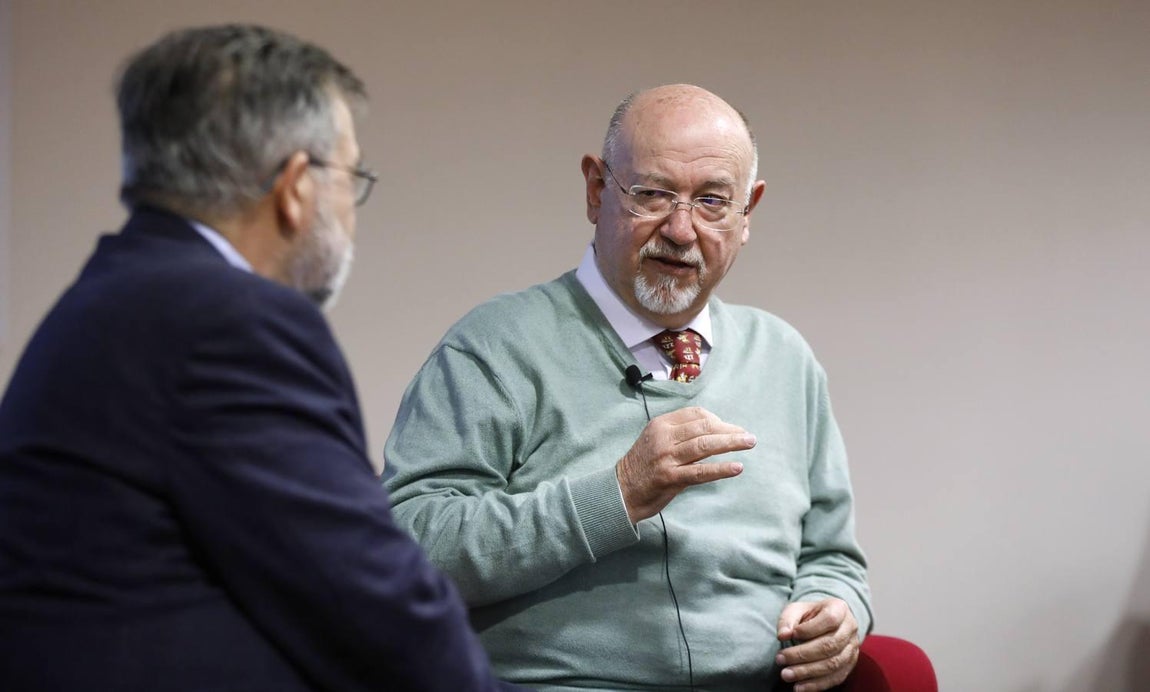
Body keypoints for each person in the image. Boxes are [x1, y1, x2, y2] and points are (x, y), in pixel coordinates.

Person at [0, 24, 515, 691]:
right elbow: (374, 605)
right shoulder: (229, 324)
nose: (351, 209)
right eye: (351, 177)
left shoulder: (117, 294)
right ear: (297, 186)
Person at [383, 84, 872, 692]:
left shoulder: (784, 357)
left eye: (713, 201)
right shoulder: (494, 347)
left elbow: (831, 556)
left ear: (748, 213)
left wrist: (838, 609)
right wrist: (615, 495)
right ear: (596, 190)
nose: (681, 229)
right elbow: (407, 546)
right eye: (652, 194)